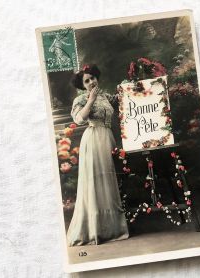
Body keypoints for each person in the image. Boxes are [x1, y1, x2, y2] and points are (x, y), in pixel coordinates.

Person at [66, 64, 129, 246]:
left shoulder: (105, 96)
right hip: (93, 140)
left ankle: (112, 227)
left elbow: (120, 99)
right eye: (87, 81)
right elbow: (79, 119)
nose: (91, 82)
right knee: (95, 182)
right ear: (82, 85)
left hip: (108, 138)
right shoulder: (81, 99)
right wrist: (90, 100)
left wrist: (128, 84)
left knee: (109, 181)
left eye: (93, 78)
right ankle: (95, 230)